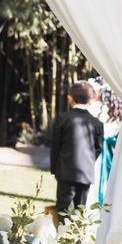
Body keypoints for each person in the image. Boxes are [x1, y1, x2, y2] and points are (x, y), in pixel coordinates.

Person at [50, 81, 103, 216]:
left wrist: (54, 169)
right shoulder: (97, 123)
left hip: (64, 171)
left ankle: (62, 235)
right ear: (91, 101)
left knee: (63, 209)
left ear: (70, 98)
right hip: (86, 172)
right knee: (80, 209)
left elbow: (55, 146)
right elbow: (98, 148)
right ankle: (76, 236)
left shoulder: (62, 119)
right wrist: (89, 161)